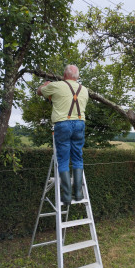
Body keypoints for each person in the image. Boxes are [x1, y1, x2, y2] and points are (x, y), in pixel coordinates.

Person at [37, 65, 89, 205]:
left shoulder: (57, 85)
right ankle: (78, 194)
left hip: (63, 125)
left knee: (63, 159)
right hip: (79, 124)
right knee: (78, 157)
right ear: (77, 76)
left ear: (64, 75)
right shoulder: (84, 90)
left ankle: (66, 197)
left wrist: (45, 85)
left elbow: (39, 92)